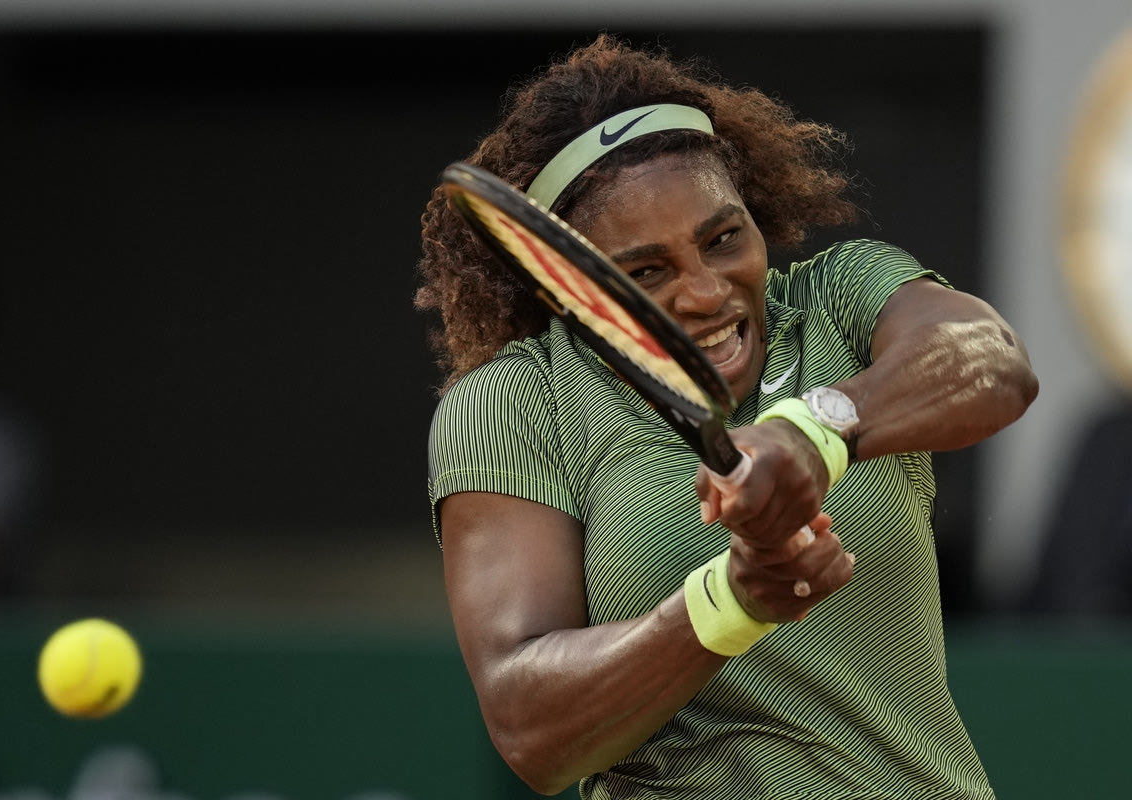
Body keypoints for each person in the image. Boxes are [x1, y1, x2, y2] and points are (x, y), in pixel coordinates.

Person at [414, 34, 1038, 800]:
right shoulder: (517, 403)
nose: (707, 292)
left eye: (722, 239)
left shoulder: (839, 298)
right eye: (647, 271)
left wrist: (817, 432)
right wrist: (731, 601)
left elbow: (996, 361)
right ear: (571, 292)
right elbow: (531, 729)